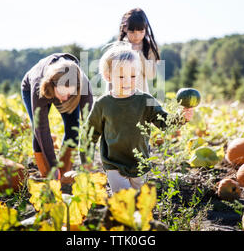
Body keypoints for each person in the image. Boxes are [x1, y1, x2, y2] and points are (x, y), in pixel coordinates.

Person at [81, 43, 193, 193]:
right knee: (125, 202)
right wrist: (85, 160)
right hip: (114, 164)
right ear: (108, 76)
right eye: (121, 76)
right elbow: (89, 134)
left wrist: (181, 117)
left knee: (140, 203)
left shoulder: (145, 100)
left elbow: (164, 122)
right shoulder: (103, 104)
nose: (127, 81)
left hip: (140, 163)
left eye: (132, 76)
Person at [21, 53, 93, 183]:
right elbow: (41, 129)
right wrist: (53, 166)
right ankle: (48, 177)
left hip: (63, 89)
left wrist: (87, 160)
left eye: (69, 93)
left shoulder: (82, 84)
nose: (65, 99)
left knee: (73, 129)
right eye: (62, 93)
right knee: (38, 135)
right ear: (53, 85)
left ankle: (64, 175)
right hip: (32, 88)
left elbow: (90, 124)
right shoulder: (39, 84)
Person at [113, 8, 161, 94]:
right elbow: (111, 77)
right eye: (132, 32)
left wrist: (139, 54)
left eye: (141, 31)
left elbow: (151, 75)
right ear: (124, 29)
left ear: (145, 29)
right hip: (121, 97)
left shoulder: (148, 47)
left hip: (141, 97)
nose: (137, 36)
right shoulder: (118, 48)